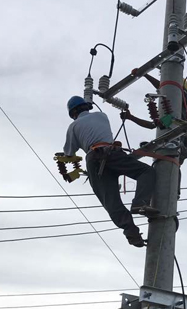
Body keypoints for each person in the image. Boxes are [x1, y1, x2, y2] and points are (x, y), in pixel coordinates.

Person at [62, 96, 159, 248]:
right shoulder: (102, 115)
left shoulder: (73, 126)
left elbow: (68, 154)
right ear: (87, 107)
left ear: (73, 113)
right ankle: (139, 204)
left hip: (93, 160)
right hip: (112, 153)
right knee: (146, 172)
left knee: (111, 201)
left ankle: (131, 233)